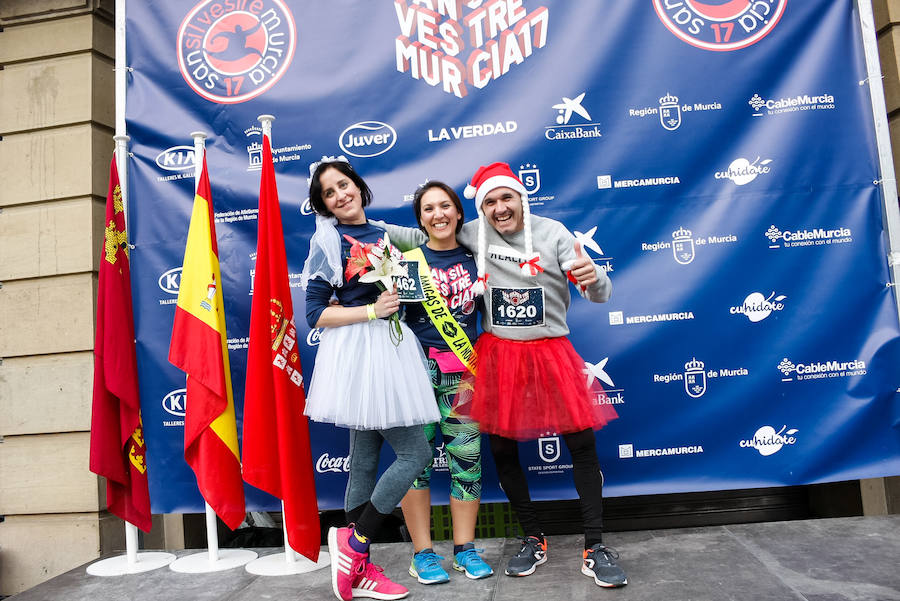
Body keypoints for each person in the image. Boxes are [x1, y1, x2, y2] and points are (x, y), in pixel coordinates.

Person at [375, 162, 627, 588]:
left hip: (550, 352)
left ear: (521, 197)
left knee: (582, 444)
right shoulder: (471, 233)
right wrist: (352, 218)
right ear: (480, 209)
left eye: (506, 197)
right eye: (489, 201)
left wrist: (595, 276)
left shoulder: (553, 233)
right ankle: (533, 537)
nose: (499, 207)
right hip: (497, 356)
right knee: (503, 452)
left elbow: (600, 294)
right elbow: (421, 237)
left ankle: (595, 545)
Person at [301, 156, 439, 601]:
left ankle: (356, 572)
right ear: (323, 204)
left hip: (393, 347)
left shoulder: (383, 233)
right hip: (363, 352)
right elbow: (315, 314)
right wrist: (371, 310)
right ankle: (355, 541)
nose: (340, 194)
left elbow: (431, 241)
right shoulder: (329, 241)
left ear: (358, 186)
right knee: (415, 453)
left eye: (344, 185)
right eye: (329, 192)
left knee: (363, 460)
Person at [399, 182, 493, 585]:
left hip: (465, 379)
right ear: (420, 219)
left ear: (458, 212)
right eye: (428, 209)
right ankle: (422, 553)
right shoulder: (407, 262)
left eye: (444, 206)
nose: (437, 214)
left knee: (467, 466)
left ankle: (464, 550)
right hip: (416, 377)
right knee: (414, 468)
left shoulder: (479, 258)